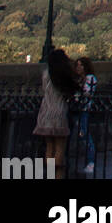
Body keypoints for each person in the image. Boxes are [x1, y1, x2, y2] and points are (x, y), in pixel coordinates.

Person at [33, 48, 78, 178]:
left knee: (49, 148)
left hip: (45, 111)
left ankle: (50, 175)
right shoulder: (62, 75)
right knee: (60, 149)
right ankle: (58, 175)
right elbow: (70, 91)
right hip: (58, 112)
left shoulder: (46, 74)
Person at [74, 56, 98, 173]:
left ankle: (91, 162)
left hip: (83, 109)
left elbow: (87, 93)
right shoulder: (78, 78)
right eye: (77, 65)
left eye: (81, 65)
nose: (78, 67)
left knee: (85, 135)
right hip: (76, 109)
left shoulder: (90, 78)